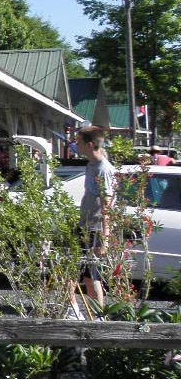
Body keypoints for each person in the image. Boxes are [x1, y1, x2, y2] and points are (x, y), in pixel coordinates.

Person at [75, 125, 115, 311]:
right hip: (84, 226)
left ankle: (98, 316)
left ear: (89, 145)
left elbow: (107, 206)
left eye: (78, 142)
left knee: (91, 275)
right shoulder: (91, 165)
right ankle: (93, 314)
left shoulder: (103, 169)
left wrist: (105, 240)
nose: (76, 145)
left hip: (95, 230)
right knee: (87, 276)